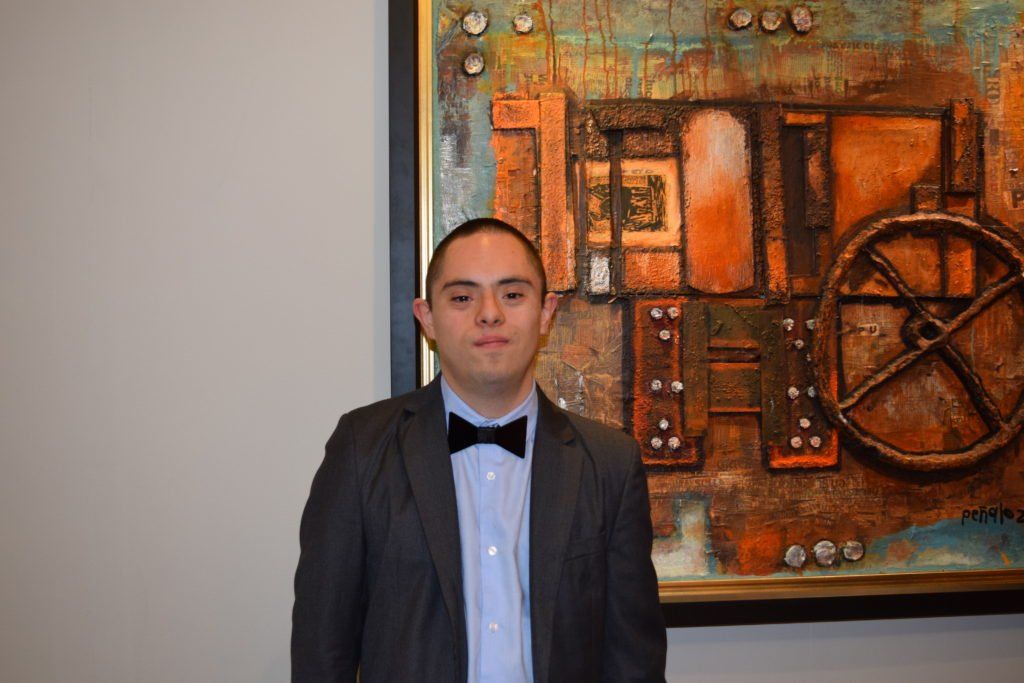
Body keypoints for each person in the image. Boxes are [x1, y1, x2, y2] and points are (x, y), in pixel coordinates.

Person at [292, 218, 667, 683]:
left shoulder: (611, 463)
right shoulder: (360, 448)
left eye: (512, 294)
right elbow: (321, 650)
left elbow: (634, 660)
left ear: (546, 312)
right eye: (462, 298)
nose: (489, 314)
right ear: (427, 317)